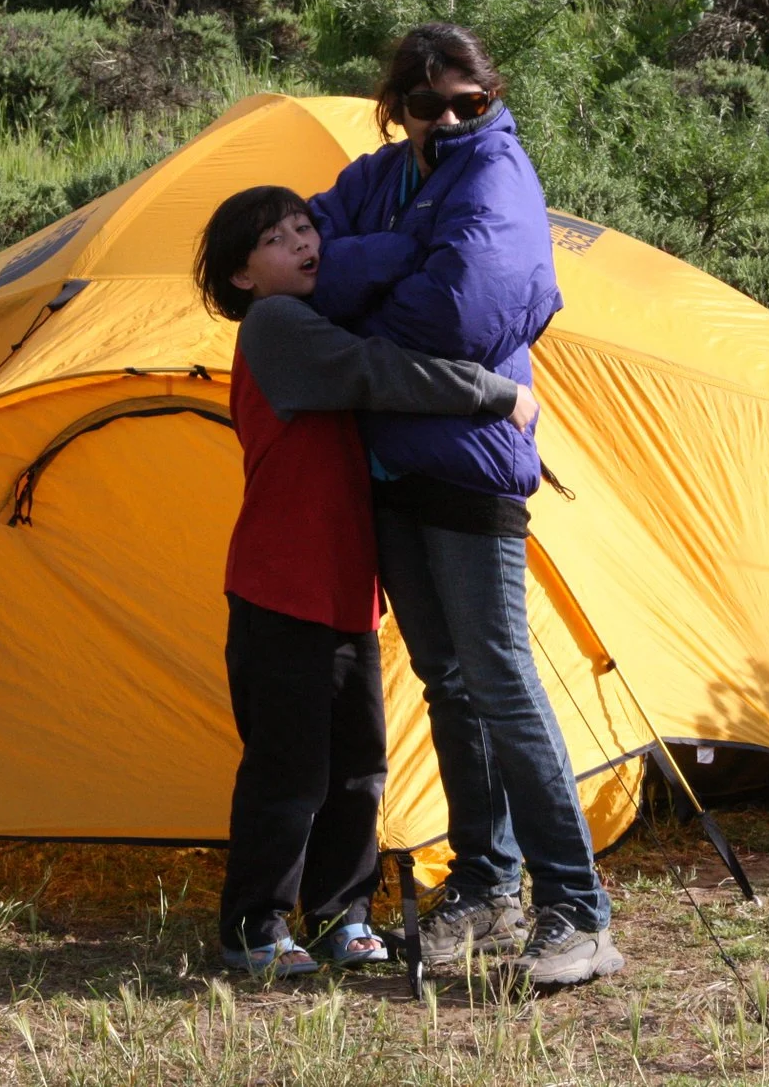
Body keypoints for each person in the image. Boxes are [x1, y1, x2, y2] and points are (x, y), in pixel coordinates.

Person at [306, 24, 623, 986]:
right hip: (395, 467)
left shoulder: (499, 173)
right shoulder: (378, 178)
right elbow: (299, 258)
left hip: (472, 464)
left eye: (466, 102)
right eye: (425, 104)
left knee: (502, 681)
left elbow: (467, 312)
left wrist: (368, 292)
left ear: (490, 98)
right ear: (394, 106)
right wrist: (407, 253)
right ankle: (487, 887)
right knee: (448, 682)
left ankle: (578, 909)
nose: (446, 119)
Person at [195, 185, 539, 979]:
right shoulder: (277, 327)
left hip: (346, 590)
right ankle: (253, 928)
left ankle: (342, 915)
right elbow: (376, 372)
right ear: (243, 277)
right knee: (290, 770)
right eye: (276, 240)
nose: (302, 241)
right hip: (280, 586)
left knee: (358, 766)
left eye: (304, 226)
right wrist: (495, 394)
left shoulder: (318, 314)